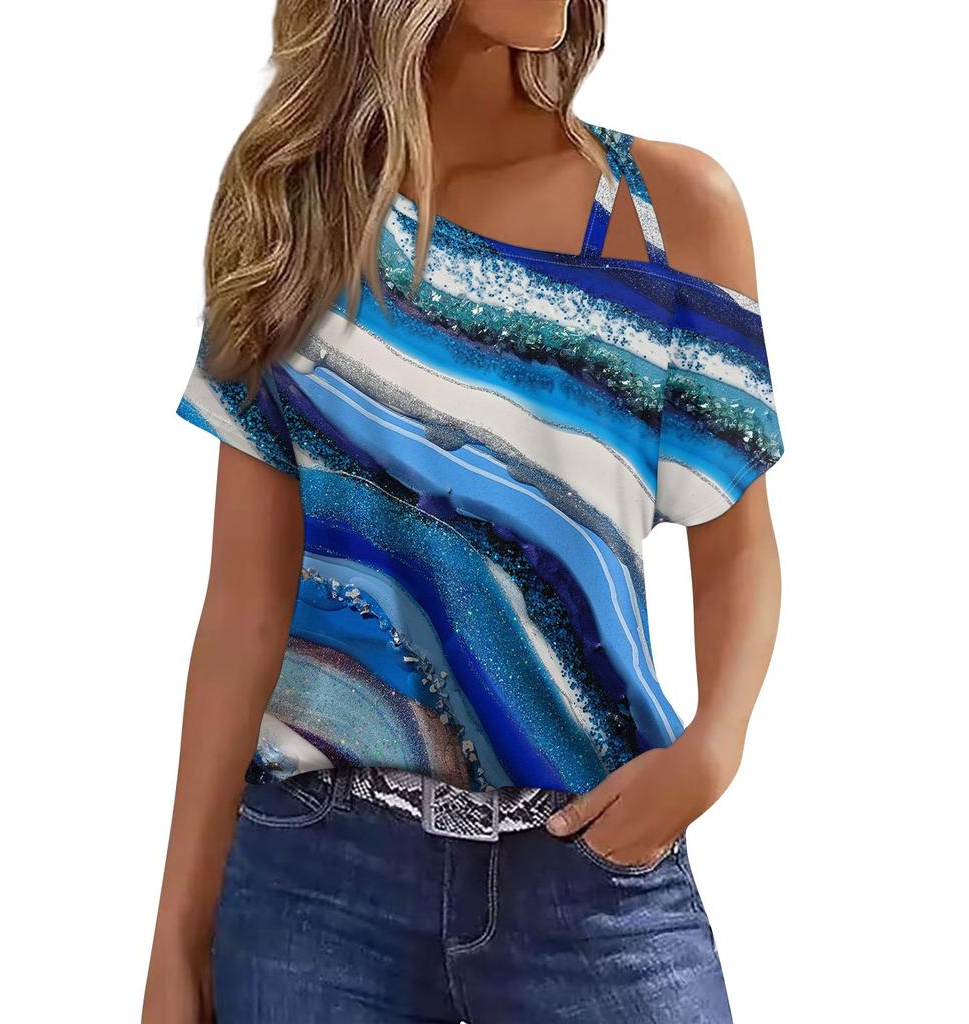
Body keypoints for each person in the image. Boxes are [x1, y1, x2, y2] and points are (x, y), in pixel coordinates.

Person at [143, 1, 784, 1021]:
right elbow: (244, 605)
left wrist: (714, 749)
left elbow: (739, 545)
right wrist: (177, 938)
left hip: (591, 868)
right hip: (315, 884)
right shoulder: (297, 207)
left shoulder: (667, 215)